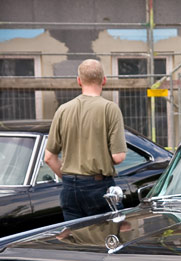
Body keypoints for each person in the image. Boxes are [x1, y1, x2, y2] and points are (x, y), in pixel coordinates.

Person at [44, 58, 127, 221]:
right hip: (99, 187)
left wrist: (71, 180)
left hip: (69, 189)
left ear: (79, 81)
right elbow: (118, 157)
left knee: (75, 236)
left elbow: (49, 158)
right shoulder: (110, 108)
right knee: (108, 234)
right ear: (104, 80)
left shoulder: (63, 110)